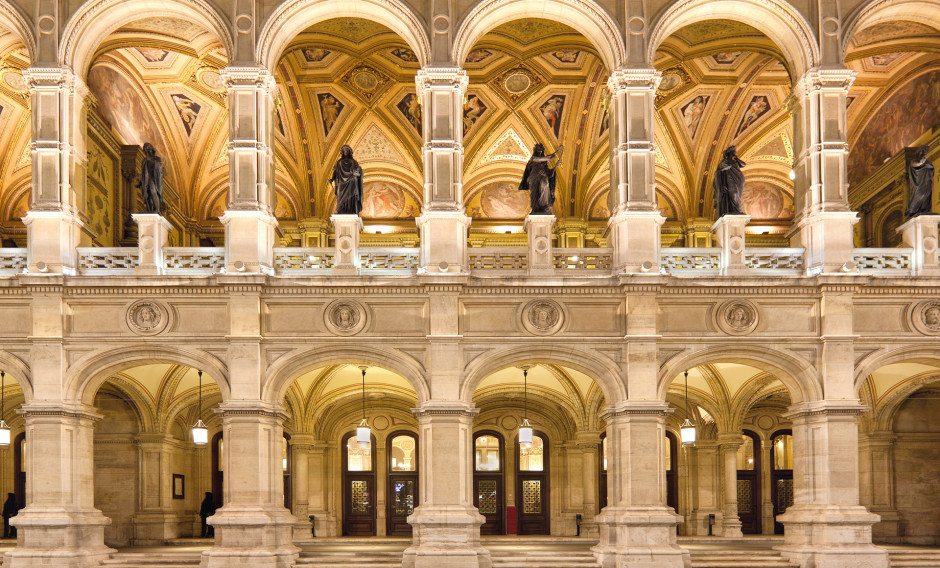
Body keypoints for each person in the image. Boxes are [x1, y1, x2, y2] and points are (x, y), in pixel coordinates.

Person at [519, 143, 565, 215]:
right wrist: (549, 158)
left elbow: (549, 173)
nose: (539, 151)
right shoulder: (533, 159)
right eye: (538, 149)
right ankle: (535, 208)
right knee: (534, 194)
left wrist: (555, 167)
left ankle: (544, 206)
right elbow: (536, 159)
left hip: (543, 176)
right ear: (535, 150)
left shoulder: (544, 163)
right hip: (534, 177)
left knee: (545, 184)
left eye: (541, 149)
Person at [713, 146, 747, 218]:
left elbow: (743, 164)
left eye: (734, 153)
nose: (733, 154)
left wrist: (737, 159)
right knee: (733, 194)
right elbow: (718, 172)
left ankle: (737, 211)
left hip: (738, 180)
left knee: (737, 195)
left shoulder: (735, 162)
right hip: (729, 180)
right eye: (732, 153)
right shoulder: (724, 162)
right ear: (728, 154)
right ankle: (736, 210)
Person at [330, 145, 364, 215]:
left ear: (349, 152)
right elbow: (336, 171)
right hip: (341, 182)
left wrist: (357, 173)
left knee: (351, 196)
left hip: (351, 181)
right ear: (342, 152)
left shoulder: (353, 162)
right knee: (341, 196)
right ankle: (341, 209)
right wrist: (332, 179)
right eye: (344, 151)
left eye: (347, 151)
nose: (345, 152)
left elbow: (358, 172)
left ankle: (351, 210)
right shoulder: (339, 162)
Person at [906, 145, 935, 219]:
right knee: (919, 195)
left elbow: (931, 168)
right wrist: (922, 163)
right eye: (922, 153)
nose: (924, 155)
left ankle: (924, 209)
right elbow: (915, 165)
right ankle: (912, 211)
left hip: (926, 183)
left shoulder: (927, 162)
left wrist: (926, 165)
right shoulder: (914, 161)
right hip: (918, 183)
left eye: (925, 153)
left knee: (927, 195)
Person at [136, 142, 164, 213]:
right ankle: (149, 210)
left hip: (154, 179)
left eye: (146, 149)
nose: (145, 151)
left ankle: (157, 209)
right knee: (147, 195)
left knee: (153, 191)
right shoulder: (145, 160)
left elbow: (160, 169)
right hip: (146, 179)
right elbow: (142, 173)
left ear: (150, 149)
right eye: (144, 149)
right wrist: (140, 183)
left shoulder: (156, 159)